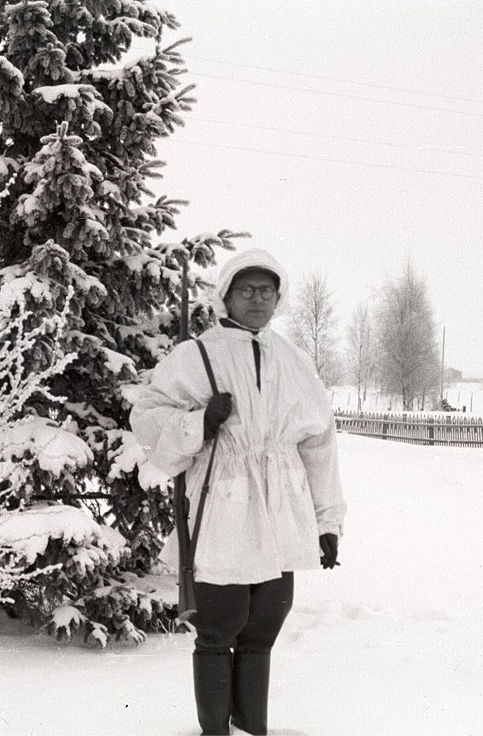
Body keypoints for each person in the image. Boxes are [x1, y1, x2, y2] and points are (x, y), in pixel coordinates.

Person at [130, 248, 347, 736]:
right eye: (246, 290)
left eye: (266, 290)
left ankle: (252, 730)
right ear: (224, 295)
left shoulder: (292, 360)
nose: (257, 299)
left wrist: (327, 521)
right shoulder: (196, 356)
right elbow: (146, 416)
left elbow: (320, 443)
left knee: (264, 626)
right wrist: (199, 423)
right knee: (218, 628)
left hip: (280, 512)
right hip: (222, 509)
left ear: (278, 298)